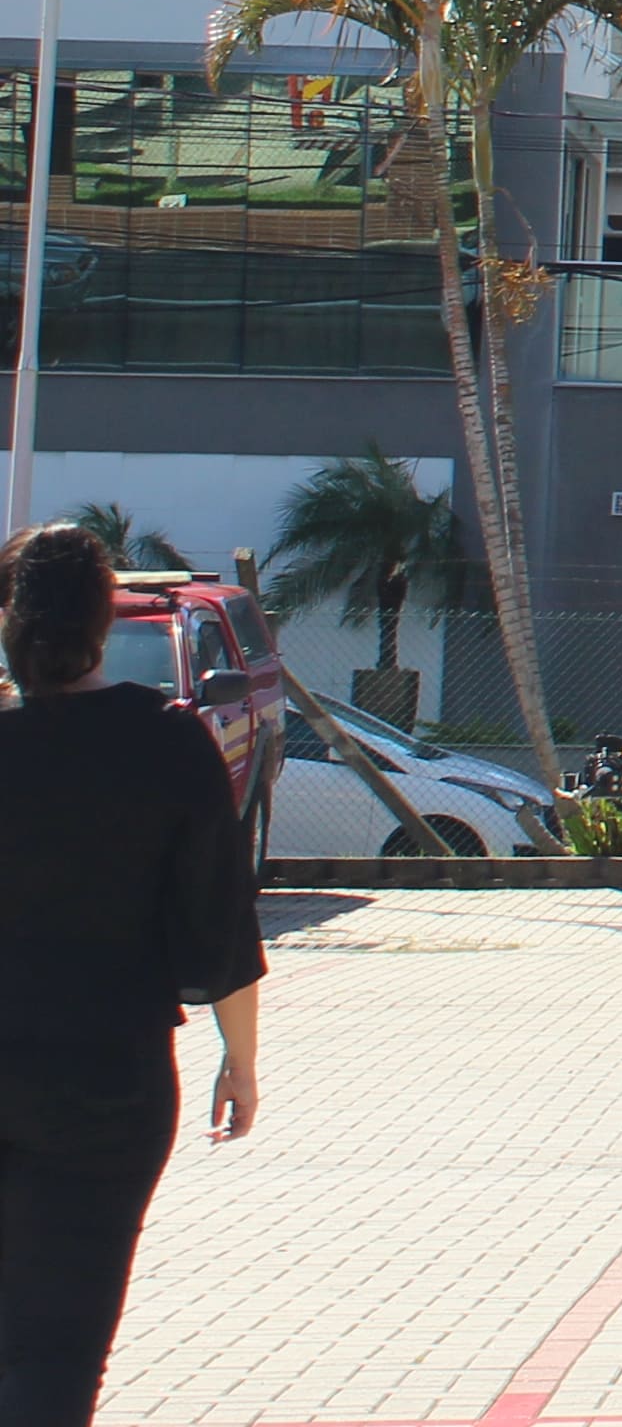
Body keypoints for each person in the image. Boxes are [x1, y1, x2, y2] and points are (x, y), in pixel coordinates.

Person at [0, 522, 262, 1427]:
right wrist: (240, 1058)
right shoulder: (169, 743)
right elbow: (219, 927)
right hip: (108, 1080)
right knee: (62, 1340)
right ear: (103, 626)